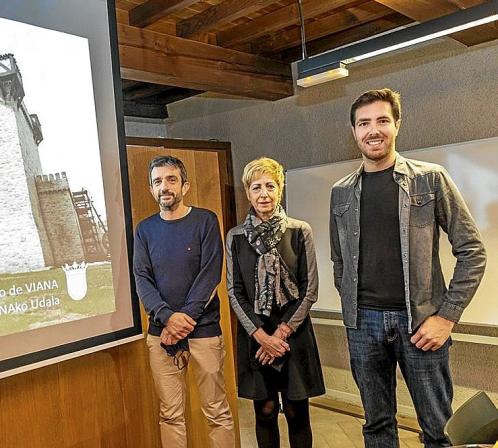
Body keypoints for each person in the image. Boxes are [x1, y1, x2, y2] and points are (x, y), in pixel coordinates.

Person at [330, 88, 486, 447]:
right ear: (354, 131)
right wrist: (354, 308)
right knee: (377, 425)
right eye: (364, 123)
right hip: (362, 324)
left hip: (421, 322)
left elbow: (472, 250)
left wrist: (445, 317)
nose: (373, 130)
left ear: (397, 124)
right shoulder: (341, 192)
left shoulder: (430, 179)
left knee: (438, 429)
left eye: (382, 120)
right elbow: (340, 261)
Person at [133, 155, 235, 447]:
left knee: (217, 411)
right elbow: (142, 279)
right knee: (170, 414)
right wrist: (167, 318)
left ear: (185, 185)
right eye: (157, 181)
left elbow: (210, 274)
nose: (164, 187)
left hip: (203, 331)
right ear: (151, 189)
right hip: (161, 335)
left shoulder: (205, 220)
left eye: (171, 179)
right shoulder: (144, 230)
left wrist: (182, 321)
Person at [226, 157, 325, 447]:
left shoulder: (299, 230)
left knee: (297, 412)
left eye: (270, 185)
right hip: (256, 337)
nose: (264, 193)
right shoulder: (235, 237)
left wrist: (280, 335)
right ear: (247, 192)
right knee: (265, 412)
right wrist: (262, 337)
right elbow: (235, 292)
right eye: (256, 187)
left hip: (292, 334)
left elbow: (309, 290)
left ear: (280, 189)